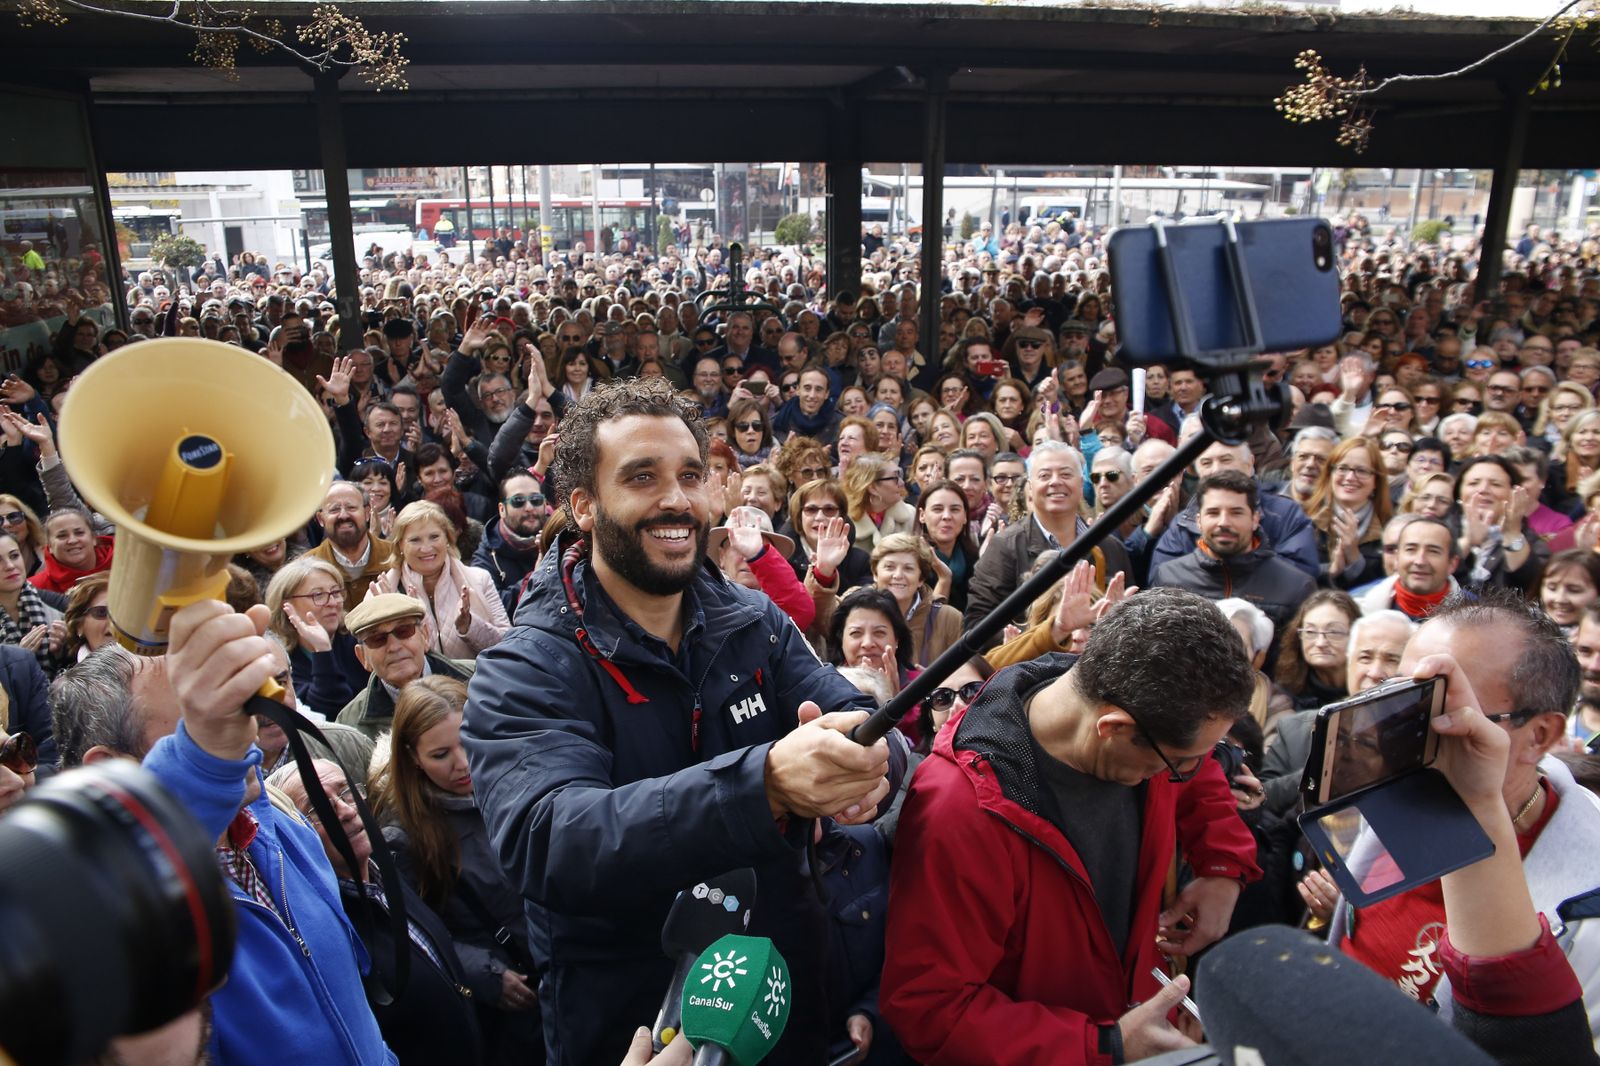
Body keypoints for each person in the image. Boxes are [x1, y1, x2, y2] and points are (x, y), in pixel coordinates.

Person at [460, 377, 903, 1066]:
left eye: (691, 476)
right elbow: (549, 840)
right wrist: (763, 785)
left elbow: (865, 718)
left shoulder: (754, 621)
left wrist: (869, 762)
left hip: (779, 1004)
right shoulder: (524, 666)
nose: (676, 499)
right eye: (642, 477)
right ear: (583, 505)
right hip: (634, 1029)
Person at [881, 588, 1260, 1065]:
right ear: (1114, 728)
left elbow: (1196, 770)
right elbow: (930, 1009)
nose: (1190, 771)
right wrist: (1103, 1046)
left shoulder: (1129, 701)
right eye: (1181, 763)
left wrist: (1223, 866)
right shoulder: (959, 810)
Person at [115, 600, 398, 1066]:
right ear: (115, 766)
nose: (243, 728)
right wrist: (203, 765)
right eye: (195, 721)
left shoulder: (283, 825)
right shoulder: (139, 914)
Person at [1322, 593, 1600, 1042]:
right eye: (1394, 699)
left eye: (1437, 711)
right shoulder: (1401, 793)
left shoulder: (1586, 917)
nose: (1392, 735)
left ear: (1538, 735)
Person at [369, 675, 544, 1065]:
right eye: (440, 754)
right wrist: (484, 975)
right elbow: (409, 935)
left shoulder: (522, 782)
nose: (462, 764)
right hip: (510, 1010)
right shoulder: (403, 837)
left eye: (468, 741)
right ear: (412, 756)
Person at [272, 757, 483, 1066]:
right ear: (293, 835)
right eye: (317, 810)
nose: (346, 811)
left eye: (347, 792)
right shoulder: (324, 927)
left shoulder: (386, 872)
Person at [965, 441, 1133, 642]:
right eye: (1045, 476)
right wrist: (1043, 637)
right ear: (1030, 487)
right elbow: (977, 623)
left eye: (1065, 474)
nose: (1055, 482)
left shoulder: (1110, 547)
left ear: (1081, 484)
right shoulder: (1005, 546)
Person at [1260, 610, 1417, 816]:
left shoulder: (1421, 743)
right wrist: (1322, 771)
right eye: (1365, 657)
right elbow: (1258, 800)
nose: (1375, 672)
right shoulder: (1296, 731)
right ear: (1348, 663)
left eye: (1391, 660)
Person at [1150, 470, 1315, 664]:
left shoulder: (1295, 586)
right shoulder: (1169, 577)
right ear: (1198, 521)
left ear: (1255, 519)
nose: (1224, 522)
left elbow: (1296, 667)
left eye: (1236, 513)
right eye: (1213, 513)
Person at [366, 500, 510, 659]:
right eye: (415, 540)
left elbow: (508, 645)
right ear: (400, 545)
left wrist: (469, 626)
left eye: (434, 537)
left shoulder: (481, 579)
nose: (426, 548)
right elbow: (372, 659)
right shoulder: (379, 594)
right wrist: (394, 620)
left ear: (447, 539)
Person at [336, 593, 476, 740]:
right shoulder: (350, 724)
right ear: (362, 657)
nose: (394, 647)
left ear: (425, 636)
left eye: (403, 631)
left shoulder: (478, 678)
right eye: (377, 639)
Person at [307, 481, 397, 613]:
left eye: (351, 508)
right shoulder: (307, 568)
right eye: (334, 509)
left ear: (367, 513)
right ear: (321, 519)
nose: (343, 515)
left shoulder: (395, 556)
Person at [471, 472, 548, 617]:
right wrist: (536, 576)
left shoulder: (562, 534)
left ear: (545, 504)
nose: (529, 507)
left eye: (535, 499)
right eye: (518, 501)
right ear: (502, 509)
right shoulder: (486, 558)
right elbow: (493, 609)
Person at [1357, 515, 1462, 620]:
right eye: (1411, 549)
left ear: (1452, 564)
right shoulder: (1359, 610)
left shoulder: (1471, 616)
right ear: (1397, 557)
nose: (1420, 561)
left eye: (1433, 551)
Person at [1274, 589, 1363, 711]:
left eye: (1333, 632)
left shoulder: (1370, 683)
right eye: (1310, 632)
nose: (1320, 643)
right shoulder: (1285, 695)